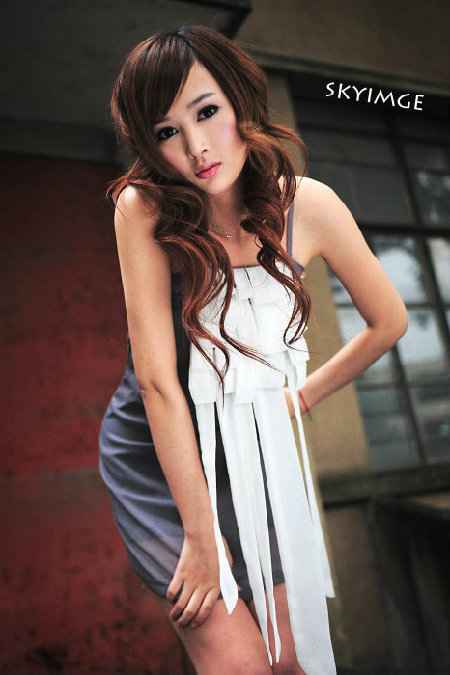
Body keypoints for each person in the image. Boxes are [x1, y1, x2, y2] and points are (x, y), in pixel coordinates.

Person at [98, 24, 408, 675]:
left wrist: (303, 397)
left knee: (290, 656)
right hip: (159, 454)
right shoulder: (143, 209)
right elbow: (157, 382)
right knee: (238, 662)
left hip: (255, 448)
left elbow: (388, 321)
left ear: (238, 100)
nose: (197, 147)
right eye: (167, 131)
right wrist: (200, 535)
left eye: (207, 111)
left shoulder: (310, 205)